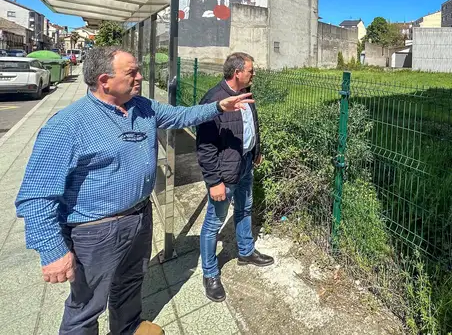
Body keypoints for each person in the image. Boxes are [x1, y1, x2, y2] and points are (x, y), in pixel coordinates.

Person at [15, 46, 254, 335]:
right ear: (105, 80)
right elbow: (37, 195)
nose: (140, 77)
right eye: (132, 73)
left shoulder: (143, 107)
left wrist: (218, 107)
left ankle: (127, 328)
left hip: (139, 216)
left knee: (130, 284)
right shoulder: (68, 125)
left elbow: (181, 116)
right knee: (86, 305)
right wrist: (52, 250)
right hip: (95, 230)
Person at [196, 52, 273, 302]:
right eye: (251, 70)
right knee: (213, 223)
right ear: (237, 72)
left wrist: (256, 150)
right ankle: (209, 273)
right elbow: (205, 147)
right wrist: (214, 181)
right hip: (225, 174)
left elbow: (252, 123)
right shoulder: (214, 100)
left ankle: (246, 251)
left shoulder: (246, 93)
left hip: (246, 164)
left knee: (244, 209)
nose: (254, 74)